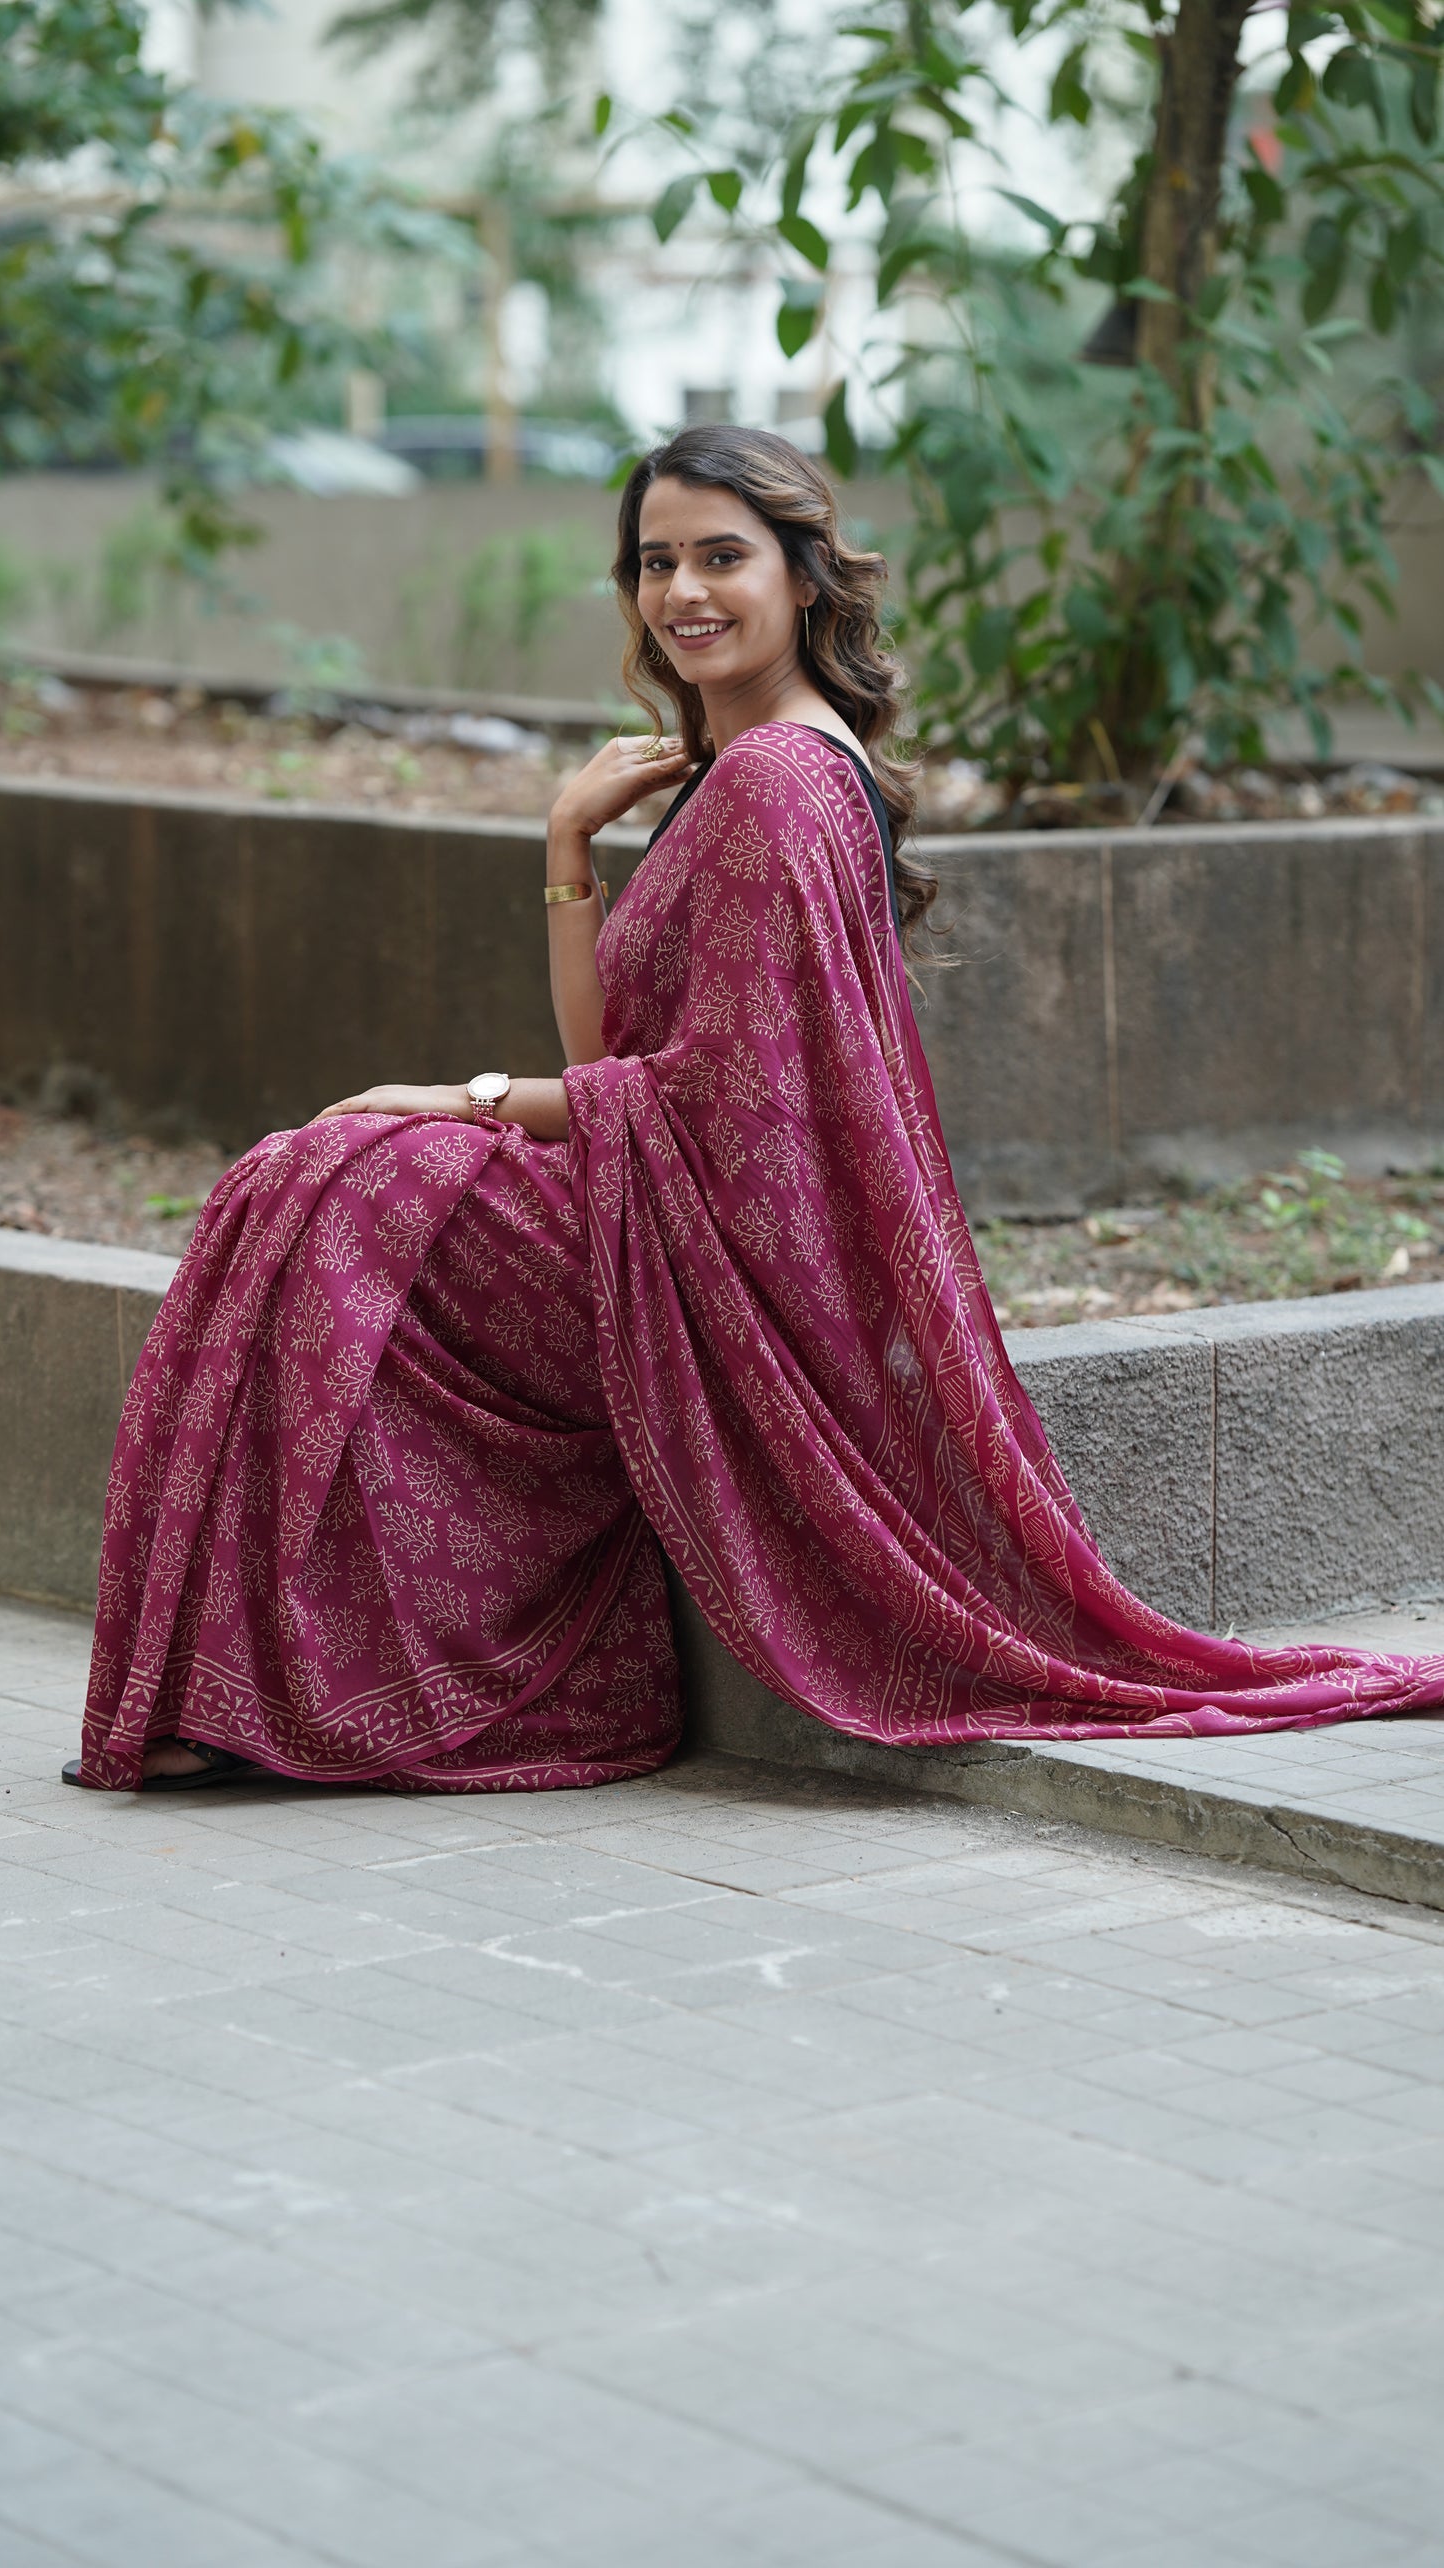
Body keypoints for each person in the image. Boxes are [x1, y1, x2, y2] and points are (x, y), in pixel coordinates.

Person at [70, 426, 1444, 1792]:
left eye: (722, 557)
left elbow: (719, 1104)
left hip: (704, 1259)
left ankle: (293, 1691)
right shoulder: (743, 772)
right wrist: (564, 848)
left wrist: (465, 1099)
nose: (684, 593)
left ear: (802, 576)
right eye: (655, 562)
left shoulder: (782, 781)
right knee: (318, 1180)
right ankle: (283, 1687)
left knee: (333, 1188)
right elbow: (610, 1052)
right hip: (650, 1210)